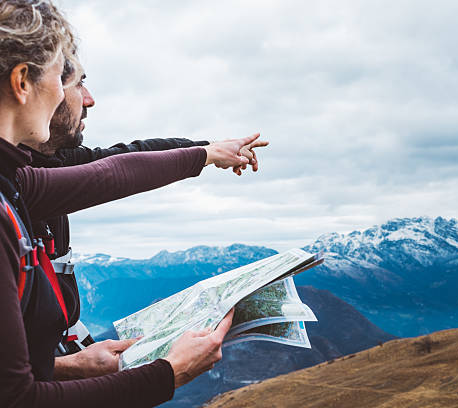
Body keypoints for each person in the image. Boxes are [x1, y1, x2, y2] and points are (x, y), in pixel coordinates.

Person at [0, 1, 264, 406]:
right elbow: (17, 400)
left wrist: (208, 152)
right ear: (22, 81)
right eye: (60, 78)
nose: (74, 98)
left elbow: (111, 171)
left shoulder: (13, 181)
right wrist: (169, 374)